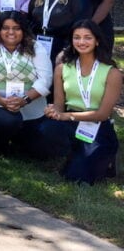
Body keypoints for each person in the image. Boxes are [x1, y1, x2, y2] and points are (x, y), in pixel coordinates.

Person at [42, 20, 121, 184]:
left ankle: (101, 160)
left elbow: (102, 114)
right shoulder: (62, 68)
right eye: (76, 37)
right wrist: (53, 111)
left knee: (78, 177)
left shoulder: (112, 73)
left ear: (97, 40)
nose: (82, 42)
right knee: (44, 130)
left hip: (98, 124)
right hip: (71, 122)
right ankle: (73, 153)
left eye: (87, 37)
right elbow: (59, 105)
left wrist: (66, 116)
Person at [0, 11, 52, 156]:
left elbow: (45, 79)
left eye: (16, 28)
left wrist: (24, 100)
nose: (11, 32)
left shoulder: (36, 47)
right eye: (5, 28)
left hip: (31, 103)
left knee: (38, 151)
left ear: (23, 30)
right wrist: (2, 101)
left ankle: (15, 141)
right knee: (8, 121)